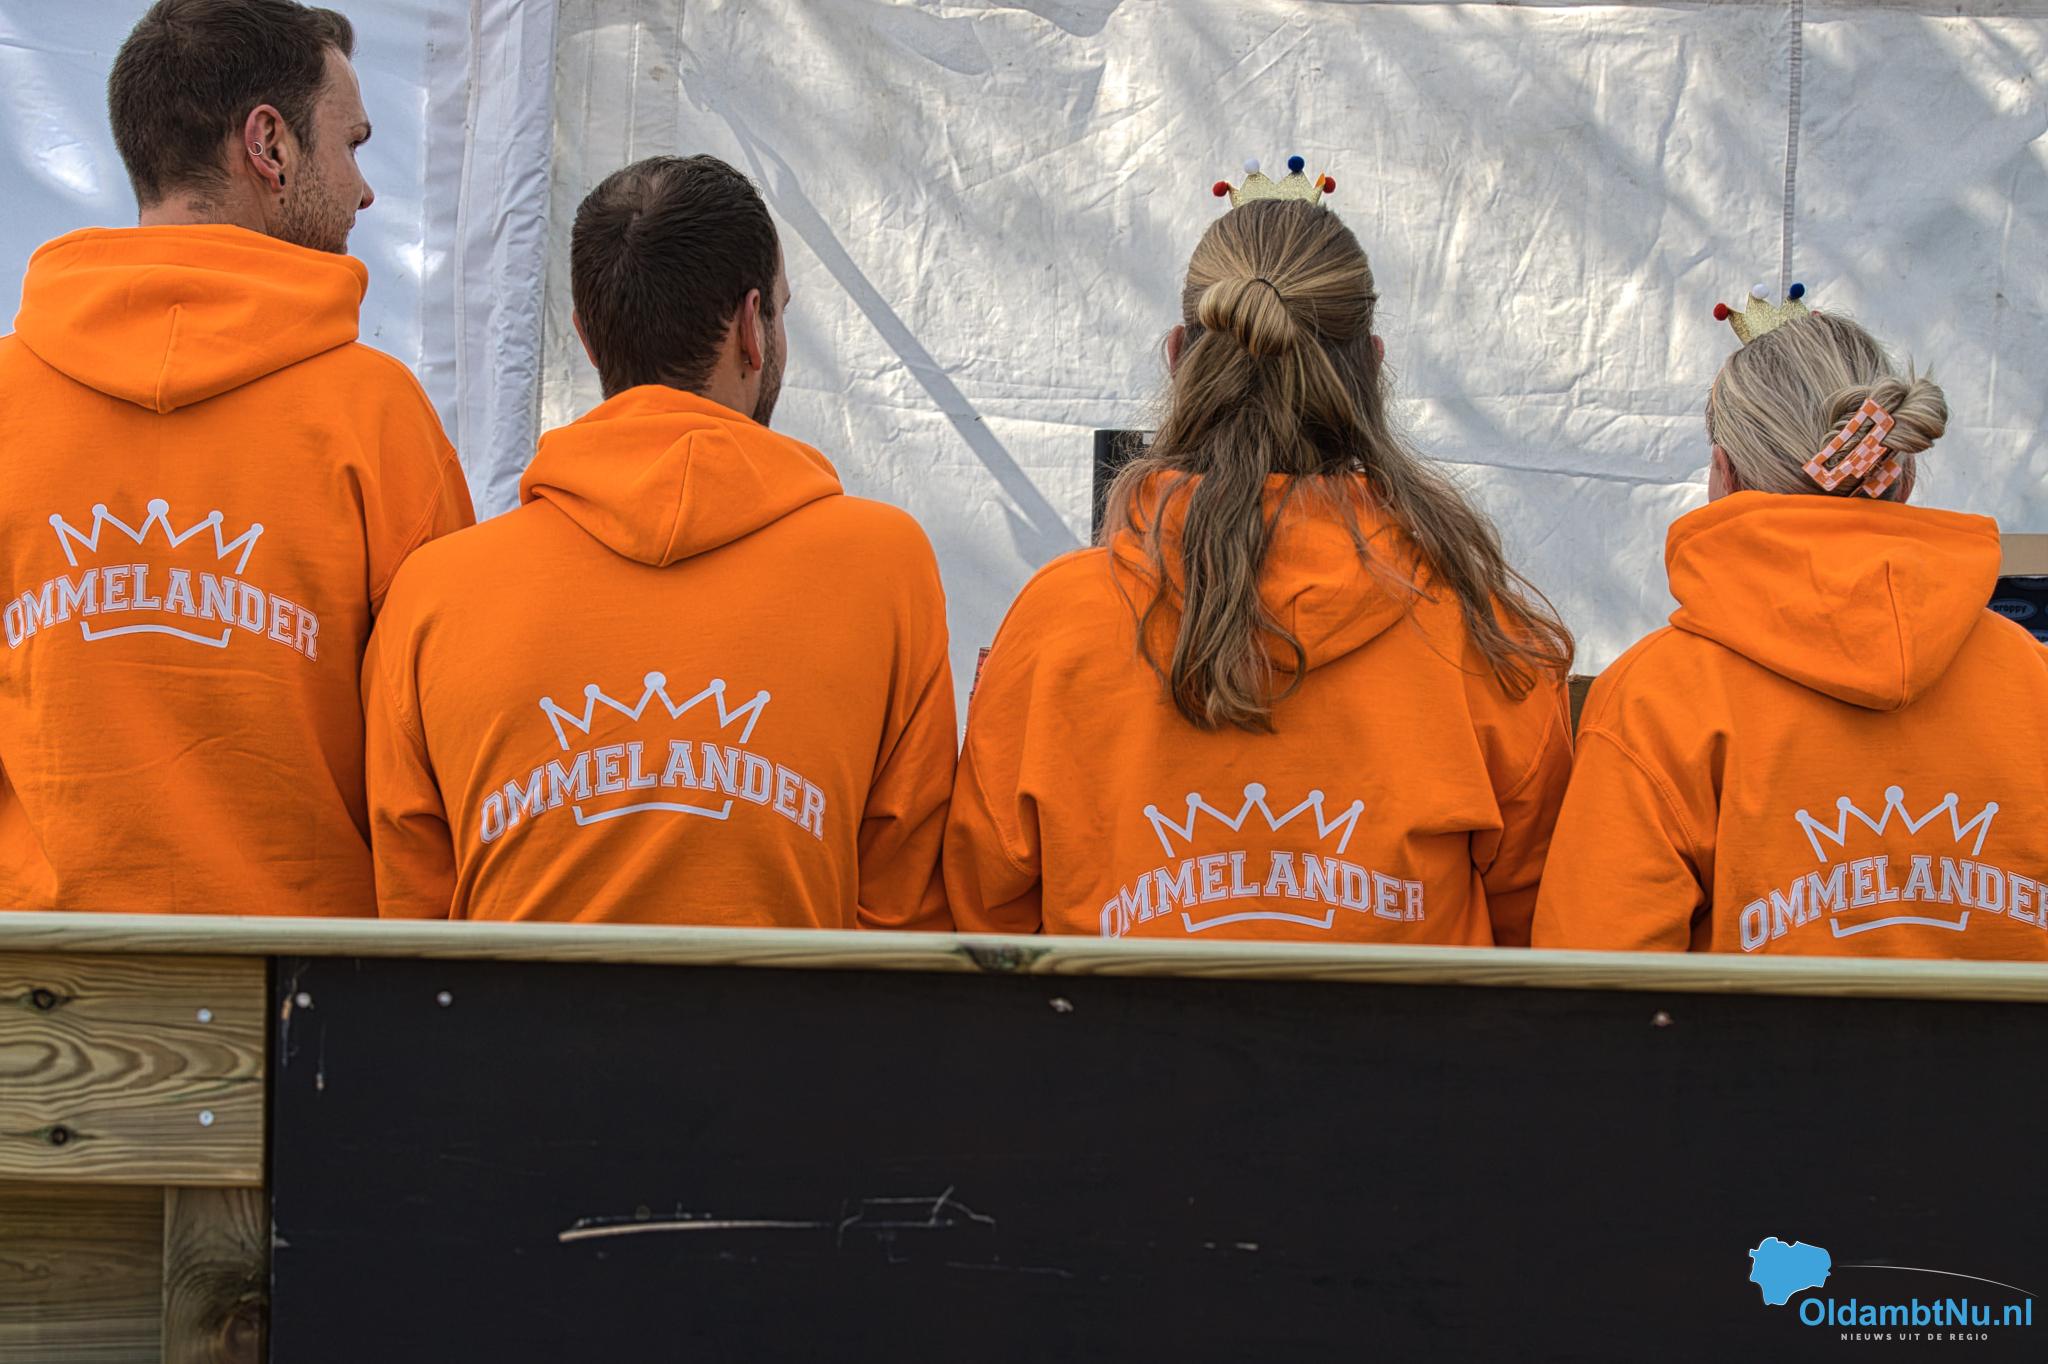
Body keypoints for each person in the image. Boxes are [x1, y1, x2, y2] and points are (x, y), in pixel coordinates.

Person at [944, 173, 1574, 943]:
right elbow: (1540, 933)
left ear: (1178, 356)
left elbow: (984, 916)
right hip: (1408, 1028)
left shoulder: (1057, 623)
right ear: (1373, 365)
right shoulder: (1483, 633)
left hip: (1112, 1027)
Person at [363, 154, 956, 928]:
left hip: (507, 1014)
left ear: (587, 337)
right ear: (751, 328)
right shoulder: (885, 566)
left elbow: (408, 925)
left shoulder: (433, 593)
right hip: (792, 1013)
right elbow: (903, 917)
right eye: (780, 310)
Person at [0, 0, 473, 916]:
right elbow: (441, 755)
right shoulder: (378, 418)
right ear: (270, 145)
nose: (365, 191)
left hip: (41, 974)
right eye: (352, 144)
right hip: (311, 977)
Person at [1533, 299, 2048, 958]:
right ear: (1904, 468)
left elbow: (1594, 982)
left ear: (1723, 471)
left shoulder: (1654, 697)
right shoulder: (2031, 676)